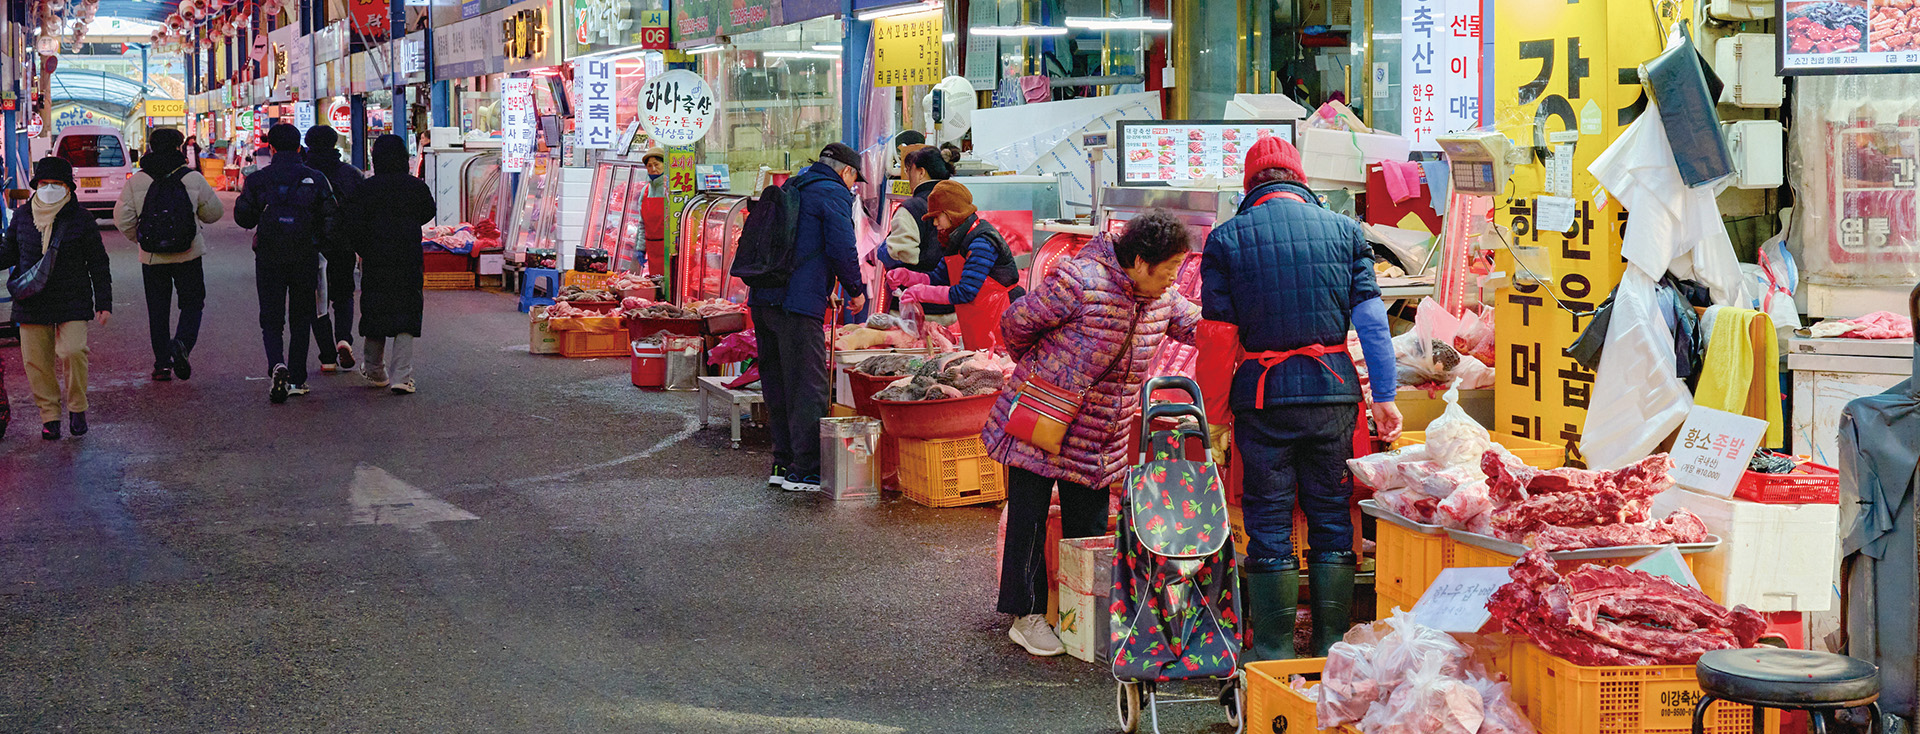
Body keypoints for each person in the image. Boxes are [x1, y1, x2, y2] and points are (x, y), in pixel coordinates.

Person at [1200, 135, 1402, 661]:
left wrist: (1214, 417)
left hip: (1263, 401)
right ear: (1300, 179)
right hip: (1333, 394)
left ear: (1250, 186)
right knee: (1332, 513)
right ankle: (1335, 647)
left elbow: (1219, 338)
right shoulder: (1344, 232)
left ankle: (1272, 653)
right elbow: (1374, 324)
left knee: (1269, 519)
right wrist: (1384, 396)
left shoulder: (1226, 240)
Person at [982, 210, 1200, 656]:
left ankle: (1080, 616)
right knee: (1030, 518)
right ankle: (1026, 616)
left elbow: (1201, 328)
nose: (1173, 279)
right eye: (1170, 269)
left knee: (1088, 529)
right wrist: (1048, 373)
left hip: (1102, 435)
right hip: (1044, 419)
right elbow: (1016, 326)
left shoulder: (1162, 299)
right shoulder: (1077, 280)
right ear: (1140, 261)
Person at [747, 142, 868, 493]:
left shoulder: (794, 186)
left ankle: (783, 462)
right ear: (846, 172)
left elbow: (799, 246)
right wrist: (855, 289)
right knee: (808, 386)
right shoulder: (833, 193)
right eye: (854, 180)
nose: (853, 187)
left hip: (765, 299)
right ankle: (808, 471)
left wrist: (823, 286)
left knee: (778, 383)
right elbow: (842, 247)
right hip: (796, 306)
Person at [0, 157, 113, 440]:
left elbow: (98, 263)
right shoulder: (24, 216)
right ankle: (50, 416)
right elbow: (9, 251)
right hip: (31, 300)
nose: (49, 188)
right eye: (44, 183)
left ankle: (77, 407)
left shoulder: (81, 219)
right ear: (36, 185)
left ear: (68, 187)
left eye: (57, 183)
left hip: (72, 298)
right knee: (36, 362)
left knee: (73, 351)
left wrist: (104, 303)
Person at [235, 123, 338, 404]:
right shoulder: (315, 179)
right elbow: (332, 218)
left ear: (271, 149)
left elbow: (243, 217)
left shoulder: (258, 179)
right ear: (298, 147)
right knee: (301, 317)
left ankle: (276, 364)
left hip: (269, 255)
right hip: (305, 255)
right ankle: (296, 377)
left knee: (271, 316)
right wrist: (320, 247)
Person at [114, 126, 225, 382]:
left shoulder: (138, 180)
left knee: (158, 309)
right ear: (179, 147)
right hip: (188, 254)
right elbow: (214, 213)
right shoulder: (192, 178)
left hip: (152, 259)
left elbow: (122, 218)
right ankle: (183, 342)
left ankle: (162, 365)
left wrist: (142, 240)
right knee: (192, 303)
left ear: (150, 147)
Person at [338, 134, 437, 395]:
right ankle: (402, 377)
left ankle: (374, 369)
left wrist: (364, 248)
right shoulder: (415, 187)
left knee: (376, 308)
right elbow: (428, 211)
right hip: (407, 256)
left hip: (376, 258)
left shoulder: (366, 188)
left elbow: (352, 222)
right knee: (407, 310)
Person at [891, 180, 1027, 351]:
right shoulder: (956, 241)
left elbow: (966, 292)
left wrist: (921, 292)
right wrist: (908, 277)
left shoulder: (981, 242)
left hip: (999, 324)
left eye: (936, 217)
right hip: (976, 324)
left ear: (951, 214)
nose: (934, 224)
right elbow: (938, 278)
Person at [303, 125, 366, 373]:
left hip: (309, 246)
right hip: (342, 244)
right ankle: (343, 339)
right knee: (343, 295)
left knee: (316, 300)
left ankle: (327, 356)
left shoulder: (304, 174)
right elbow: (361, 211)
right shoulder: (351, 174)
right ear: (334, 143)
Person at [877, 145, 952, 314]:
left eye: (909, 170)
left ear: (921, 172)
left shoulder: (912, 207)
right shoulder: (954, 204)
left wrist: (883, 251)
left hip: (913, 307)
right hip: (949, 304)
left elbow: (904, 253)